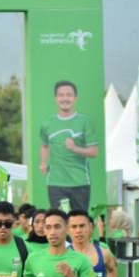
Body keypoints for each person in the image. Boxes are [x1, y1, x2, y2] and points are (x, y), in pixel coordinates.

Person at [39, 81, 98, 211]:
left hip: (80, 182)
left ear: (75, 98)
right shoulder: (47, 124)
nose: (65, 98)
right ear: (56, 98)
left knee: (78, 221)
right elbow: (44, 145)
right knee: (60, 221)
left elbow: (94, 152)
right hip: (56, 183)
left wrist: (74, 148)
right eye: (61, 95)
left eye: (69, 95)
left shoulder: (85, 122)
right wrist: (43, 163)